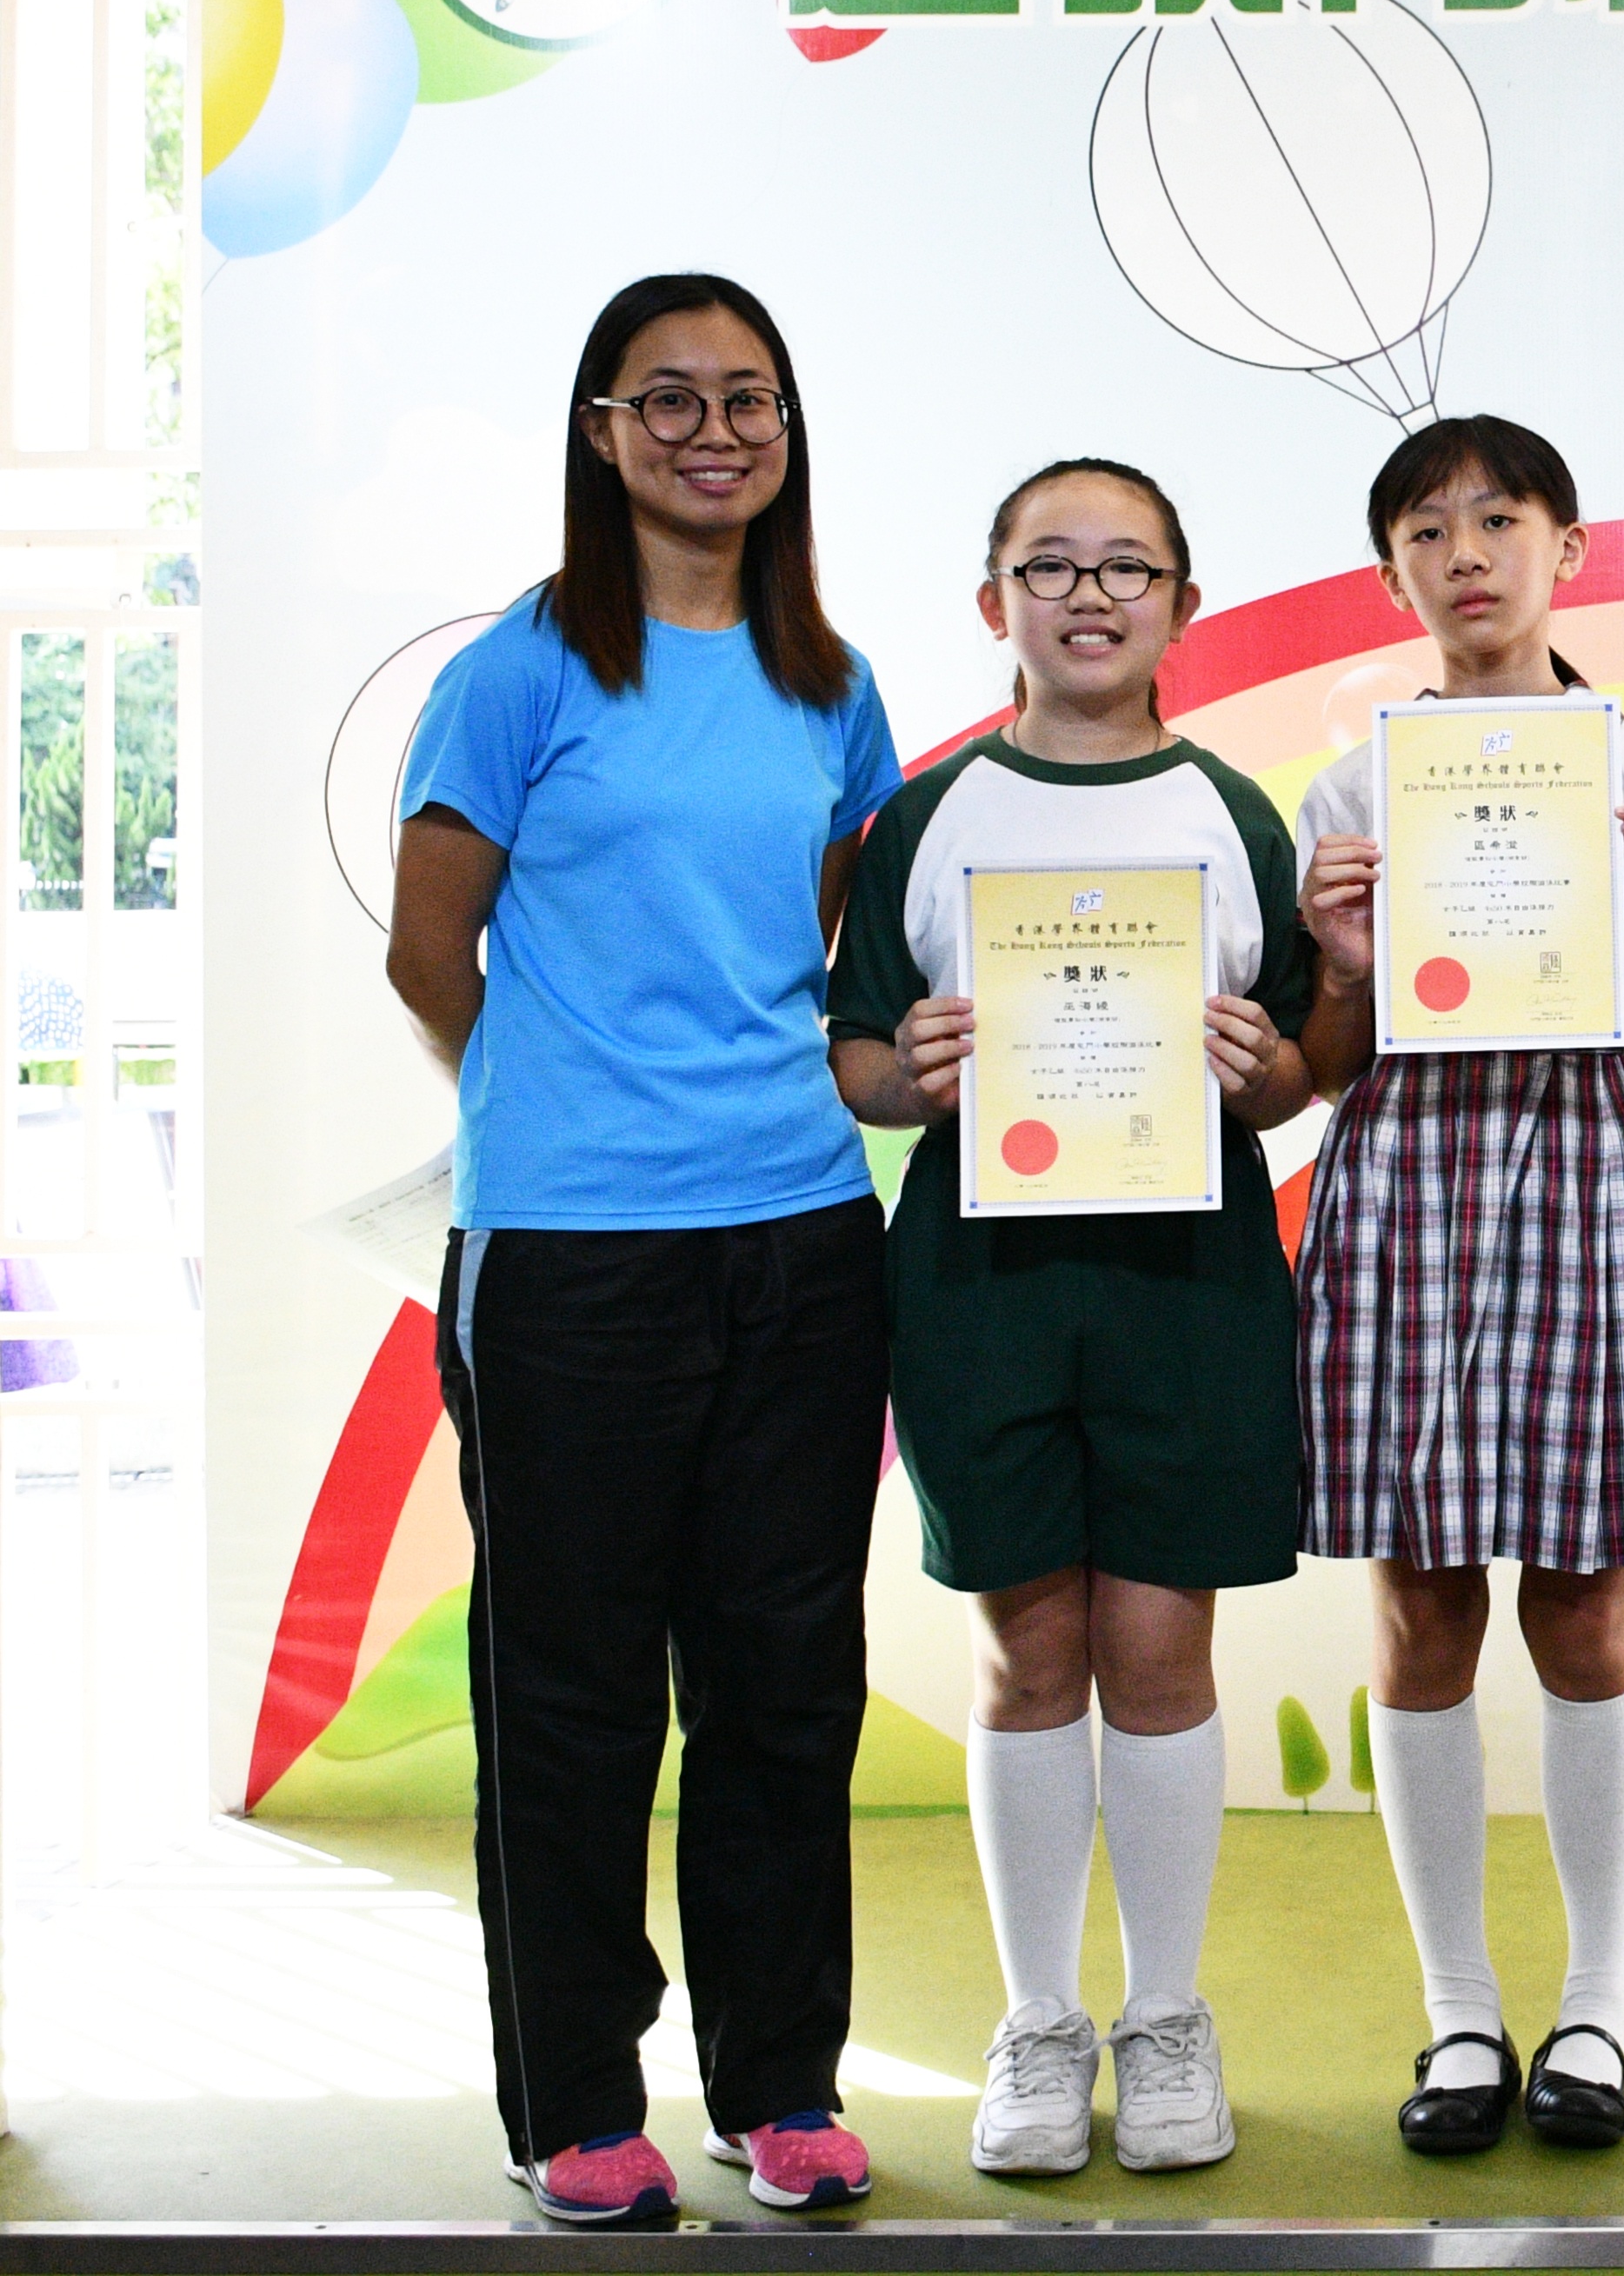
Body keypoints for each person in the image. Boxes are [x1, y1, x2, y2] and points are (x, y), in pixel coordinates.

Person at [385, 274, 901, 2224]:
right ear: (600, 432)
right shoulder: (517, 673)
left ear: (788, 431)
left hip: (803, 1235)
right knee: (575, 1692)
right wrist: (563, 1100)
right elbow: (430, 951)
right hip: (573, 1255)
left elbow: (826, 946)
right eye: (666, 399)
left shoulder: (832, 682)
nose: (712, 432)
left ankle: (781, 2084)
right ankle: (576, 2101)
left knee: (785, 1684)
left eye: (747, 398)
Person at [828, 459, 1320, 2179]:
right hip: (984, 1284)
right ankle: (1039, 2018)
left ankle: (1166, 2013)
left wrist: (1267, 1070)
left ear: (1183, 603)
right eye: (1051, 565)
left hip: (1190, 1279)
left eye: (1128, 567)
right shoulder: (927, 817)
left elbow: (1301, 1062)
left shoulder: (1236, 814)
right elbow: (859, 1055)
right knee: (1029, 1652)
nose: (1090, 594)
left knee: (1162, 1651)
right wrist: (911, 1069)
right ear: (994, 603)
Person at [1290, 416, 1624, 2157]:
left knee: (1586, 1607)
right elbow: (1328, 1066)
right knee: (1419, 1609)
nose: (1465, 553)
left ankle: (1599, 2004)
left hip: (1580, 1164)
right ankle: (1460, 2007)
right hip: (1403, 1177)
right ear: (1392, 568)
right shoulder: (1352, 790)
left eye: (1498, 518)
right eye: (1426, 528)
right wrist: (1339, 963)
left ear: (1570, 547)